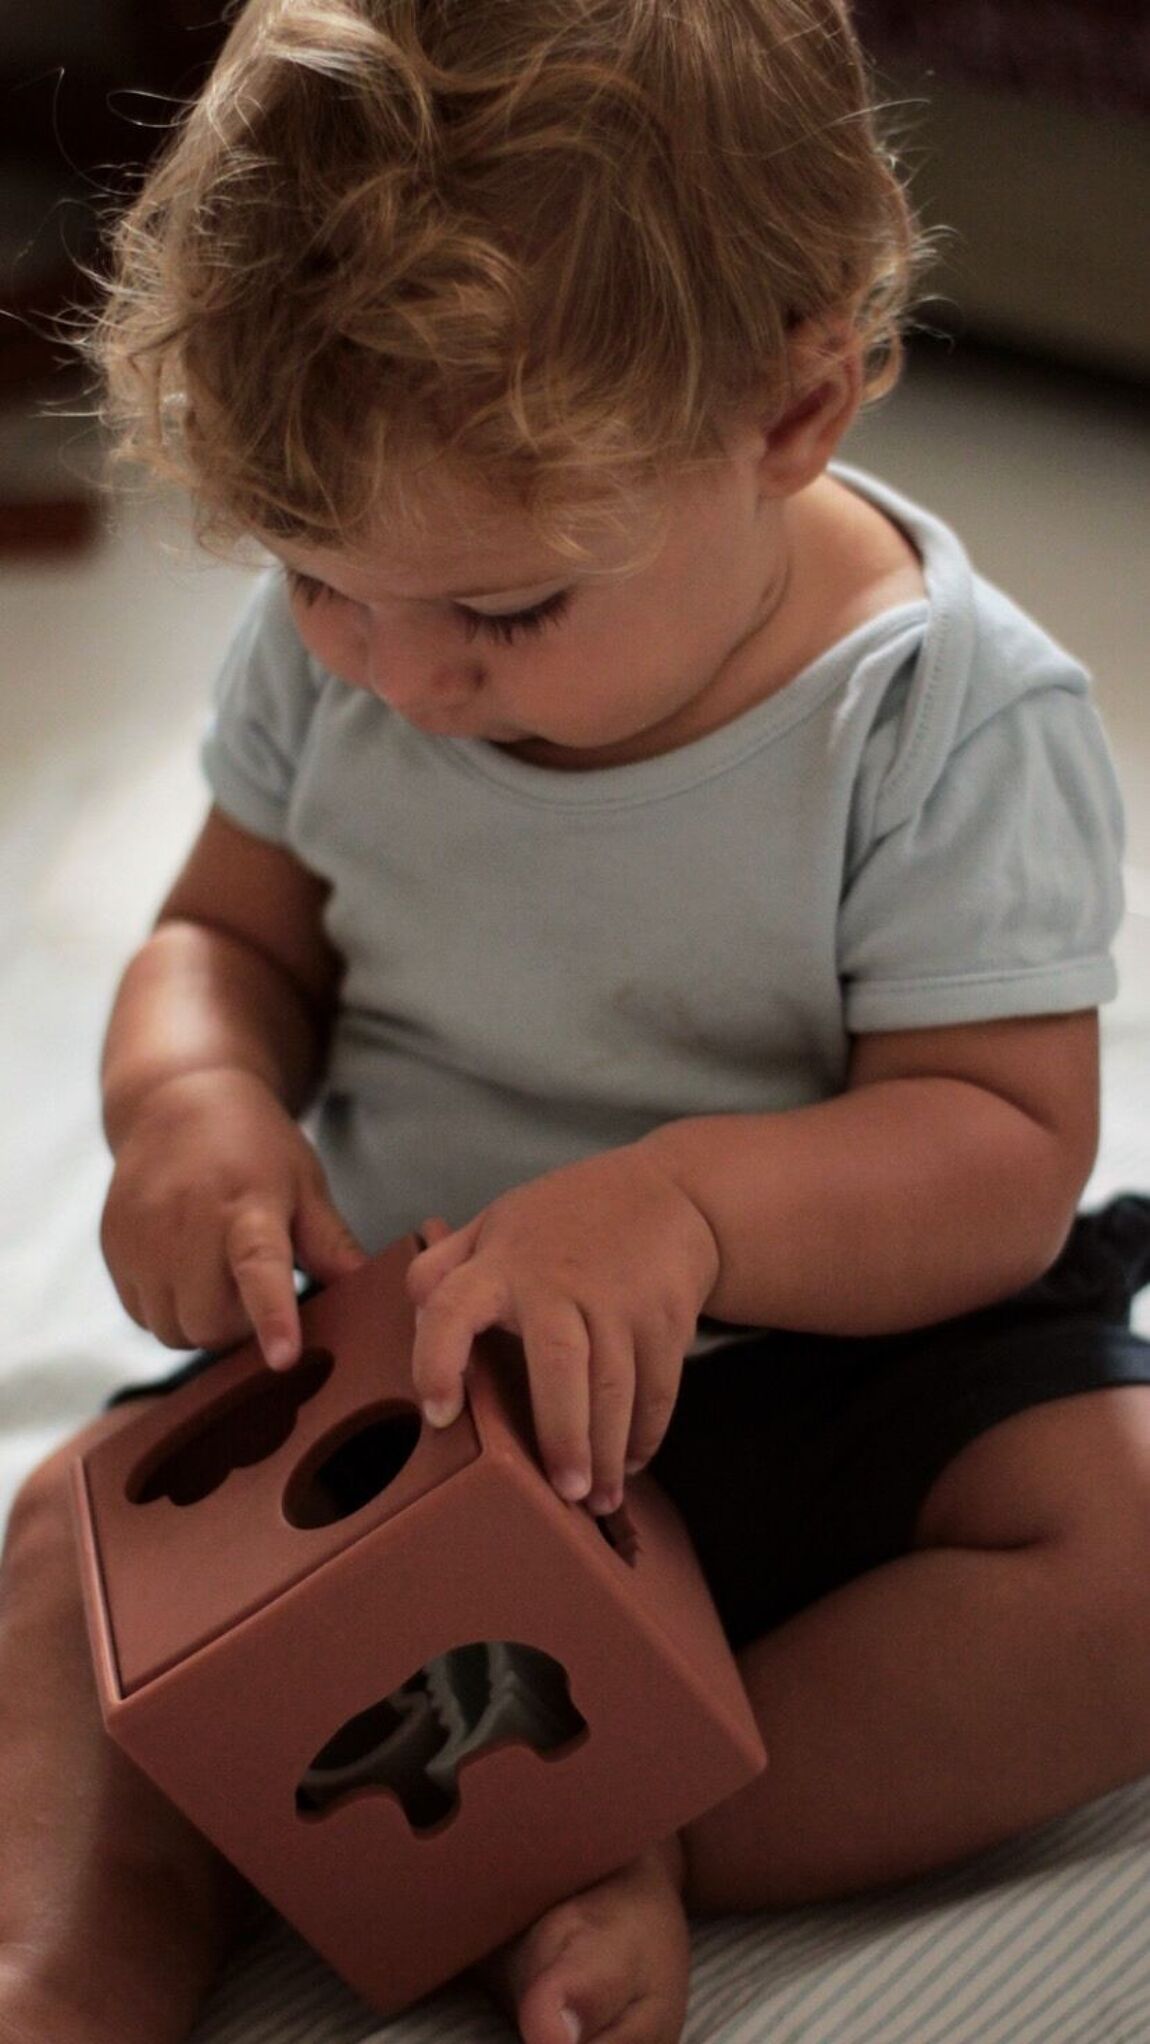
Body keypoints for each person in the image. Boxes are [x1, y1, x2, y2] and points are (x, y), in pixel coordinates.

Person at [3, 1, 1150, 2040]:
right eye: (317, 580)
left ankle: (644, 1814)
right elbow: (228, 939)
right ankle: (67, 1971)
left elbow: (996, 1142)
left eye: (503, 613)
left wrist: (693, 1211)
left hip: (816, 1371)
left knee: (1124, 1548)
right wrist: (188, 1092)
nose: (393, 672)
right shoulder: (350, 633)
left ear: (791, 409)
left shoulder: (944, 720)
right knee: (54, 1571)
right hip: (406, 1375)